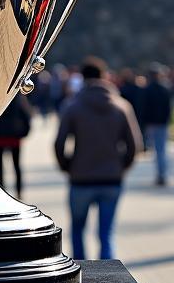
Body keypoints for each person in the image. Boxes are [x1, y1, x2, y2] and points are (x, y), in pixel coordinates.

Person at [55, 57, 141, 261]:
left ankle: (81, 271)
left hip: (81, 178)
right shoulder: (121, 106)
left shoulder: (73, 105)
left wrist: (68, 166)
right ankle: (108, 279)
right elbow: (134, 146)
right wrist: (121, 167)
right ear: (104, 76)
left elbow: (59, 143)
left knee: (77, 230)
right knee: (106, 233)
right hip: (111, 178)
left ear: (82, 78)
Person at [0, 92, 32, 199]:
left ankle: (1, 191)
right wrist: (24, 132)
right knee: (17, 166)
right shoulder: (19, 98)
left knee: (0, 167)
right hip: (14, 136)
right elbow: (27, 116)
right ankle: (19, 192)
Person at [143, 64, 172, 186]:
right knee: (161, 150)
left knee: (157, 150)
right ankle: (162, 173)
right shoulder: (165, 89)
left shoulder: (147, 90)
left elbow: (143, 108)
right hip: (162, 123)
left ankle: (161, 174)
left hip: (152, 123)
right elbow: (169, 108)